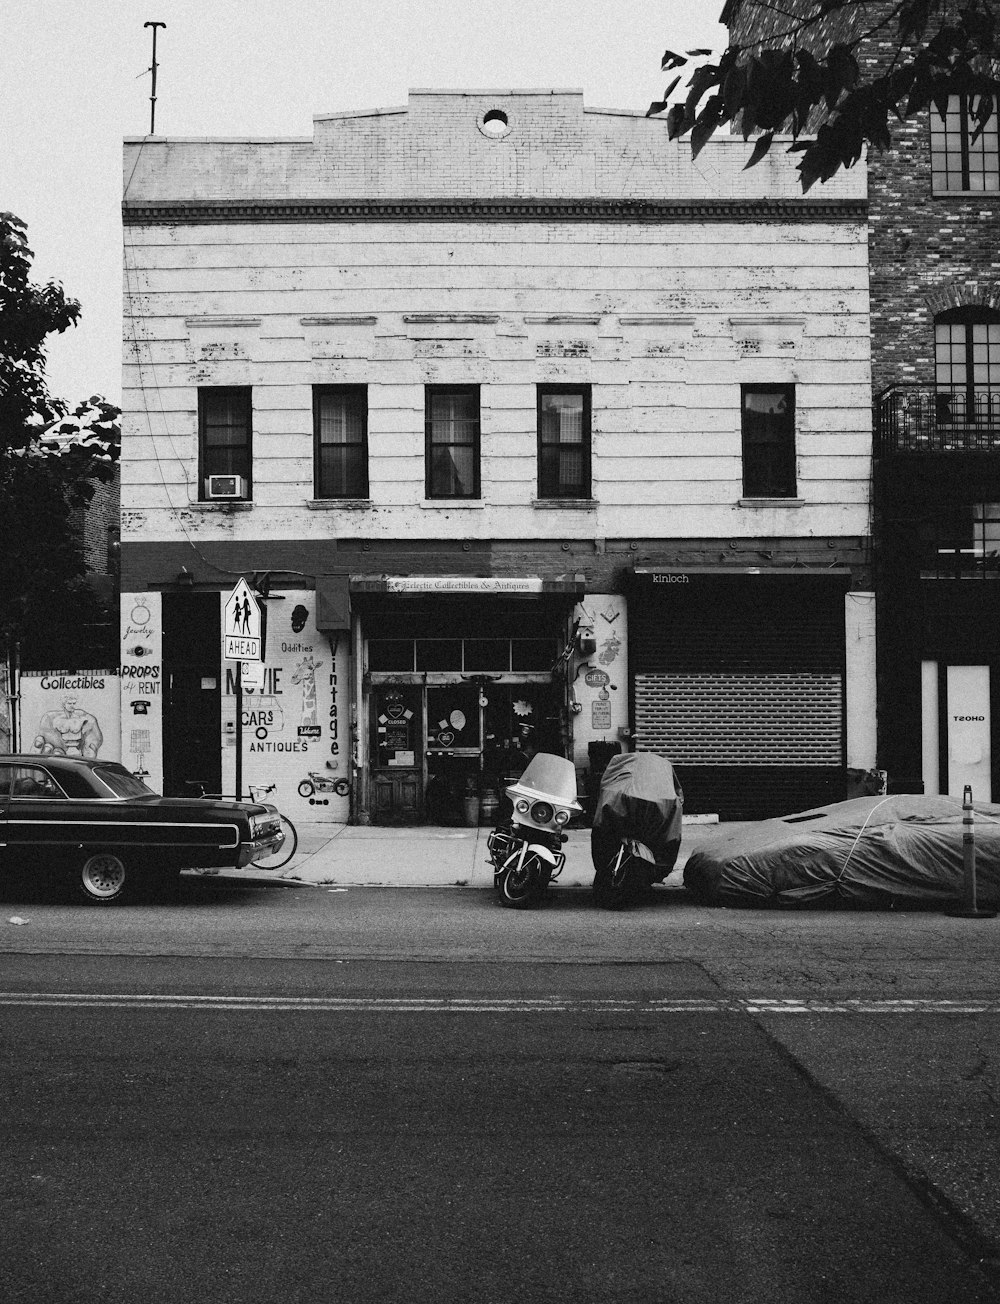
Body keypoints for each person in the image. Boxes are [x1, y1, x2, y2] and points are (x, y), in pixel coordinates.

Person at [33, 696, 103, 759]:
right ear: (64, 704)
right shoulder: (56, 720)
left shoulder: (83, 718)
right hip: (61, 751)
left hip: (77, 752)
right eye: (69, 703)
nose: (72, 706)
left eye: (74, 703)